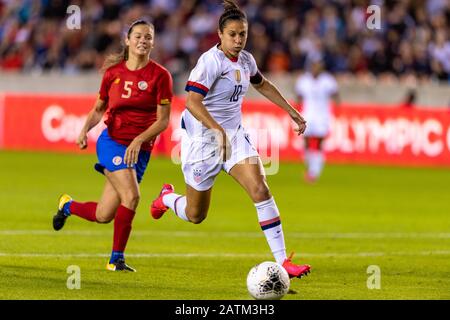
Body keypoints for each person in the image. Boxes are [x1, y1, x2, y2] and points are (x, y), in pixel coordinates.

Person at [150, 0, 311, 279]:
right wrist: (217, 131)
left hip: (234, 138)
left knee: (260, 189)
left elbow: (262, 84)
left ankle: (283, 261)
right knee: (196, 214)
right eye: (233, 35)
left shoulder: (247, 60)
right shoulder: (210, 62)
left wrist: (291, 111)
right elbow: (191, 102)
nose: (238, 40)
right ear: (220, 34)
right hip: (203, 141)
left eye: (243, 34)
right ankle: (167, 198)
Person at [52, 20, 173, 272]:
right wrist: (84, 130)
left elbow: (163, 121)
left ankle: (67, 205)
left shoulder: (161, 76)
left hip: (140, 150)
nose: (142, 40)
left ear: (153, 42)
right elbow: (98, 109)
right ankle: (115, 259)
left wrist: (140, 139)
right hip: (113, 143)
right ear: (127, 41)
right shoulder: (113, 74)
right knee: (133, 196)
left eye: (148, 37)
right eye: (137, 36)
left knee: (104, 215)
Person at [295, 57, 339, 183]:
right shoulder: (304, 80)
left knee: (319, 142)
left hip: (322, 116)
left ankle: (315, 171)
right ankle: (311, 167)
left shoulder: (328, 80)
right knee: (306, 141)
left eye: (318, 65)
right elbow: (298, 97)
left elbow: (336, 95)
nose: (315, 67)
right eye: (313, 65)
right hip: (307, 115)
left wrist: (335, 102)